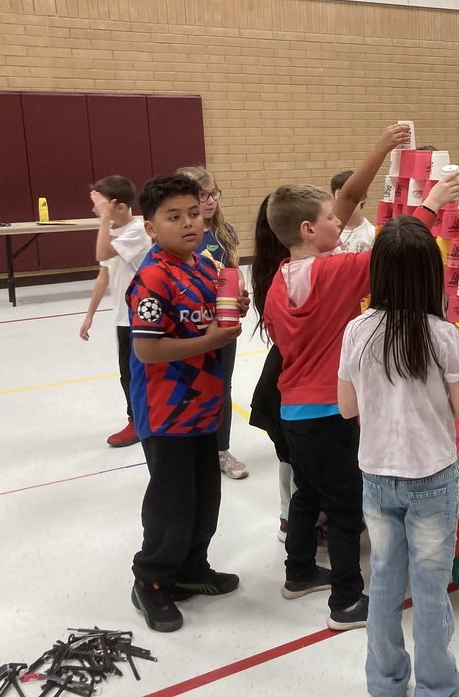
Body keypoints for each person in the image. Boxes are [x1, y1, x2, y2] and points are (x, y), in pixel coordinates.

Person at [261, 124, 459, 631]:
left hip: (292, 411)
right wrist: (432, 202)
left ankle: (299, 572)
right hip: (328, 411)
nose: (339, 219)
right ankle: (347, 600)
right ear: (308, 229)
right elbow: (390, 254)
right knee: (346, 506)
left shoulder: (278, 282)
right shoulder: (332, 273)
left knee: (308, 493)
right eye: (330, 217)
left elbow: (284, 341)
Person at [338, 215, 459, 697]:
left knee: (383, 580)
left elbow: (346, 407)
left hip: (377, 476)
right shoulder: (443, 336)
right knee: (429, 588)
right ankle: (438, 687)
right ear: (430, 276)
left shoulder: (357, 331)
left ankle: (385, 683)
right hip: (431, 478)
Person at [127, 174, 248, 633]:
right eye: (174, 217)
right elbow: (147, 349)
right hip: (167, 410)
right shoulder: (152, 277)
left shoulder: (204, 266)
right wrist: (210, 340)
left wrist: (235, 306)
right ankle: (152, 580)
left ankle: (192, 567)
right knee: (172, 502)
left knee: (204, 496)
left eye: (194, 214)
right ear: (151, 227)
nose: (189, 224)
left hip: (204, 406)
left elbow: (211, 317)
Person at [177, 165, 248, 480]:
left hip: (222, 323)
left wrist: (239, 290)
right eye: (202, 195)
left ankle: (221, 450)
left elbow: (233, 269)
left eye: (213, 193)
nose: (210, 201)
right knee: (190, 385)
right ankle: (190, 449)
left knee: (221, 386)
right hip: (191, 324)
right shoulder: (180, 236)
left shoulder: (224, 231)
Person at [79, 175, 151, 448]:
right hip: (123, 317)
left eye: (100, 205)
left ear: (120, 206)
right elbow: (103, 274)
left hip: (140, 315)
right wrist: (90, 314)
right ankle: (138, 418)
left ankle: (139, 422)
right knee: (127, 373)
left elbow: (101, 253)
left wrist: (104, 219)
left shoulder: (138, 230)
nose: (95, 210)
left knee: (138, 373)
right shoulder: (111, 231)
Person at [248, 195, 293, 542]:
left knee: (289, 455)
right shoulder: (291, 273)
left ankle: (289, 516)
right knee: (295, 455)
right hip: (291, 377)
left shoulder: (268, 267)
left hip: (280, 372)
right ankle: (296, 519)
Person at [331, 170, 376, 254]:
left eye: (350, 196)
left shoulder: (372, 234)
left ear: (362, 198)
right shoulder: (329, 233)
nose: (345, 202)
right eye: (339, 195)